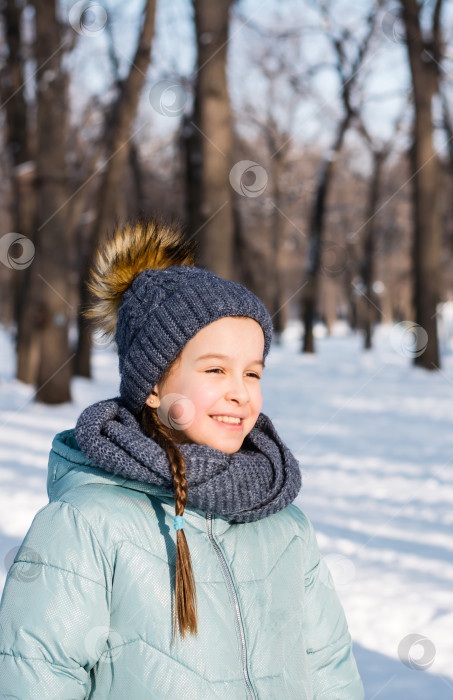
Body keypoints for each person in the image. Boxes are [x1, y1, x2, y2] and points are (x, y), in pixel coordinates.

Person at [0, 220, 364, 699]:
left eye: (252, 373)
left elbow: (329, 668)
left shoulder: (284, 524)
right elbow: (35, 673)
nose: (239, 393)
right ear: (153, 386)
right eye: (215, 369)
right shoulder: (86, 523)